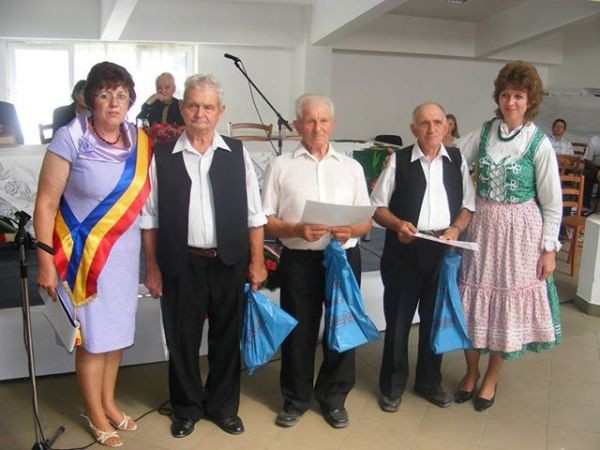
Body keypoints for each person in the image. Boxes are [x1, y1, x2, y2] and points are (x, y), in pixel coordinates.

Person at [141, 74, 266, 439]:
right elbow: (149, 219)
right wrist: (152, 268)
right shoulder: (161, 156)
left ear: (220, 111)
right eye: (193, 105)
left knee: (226, 339)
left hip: (228, 261)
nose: (200, 113)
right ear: (182, 108)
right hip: (180, 262)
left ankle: (223, 407)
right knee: (182, 340)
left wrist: (257, 261)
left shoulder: (237, 154)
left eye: (208, 107)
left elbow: (255, 214)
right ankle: (186, 409)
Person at [34, 61, 150, 447]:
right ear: (89, 99)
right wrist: (45, 260)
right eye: (104, 95)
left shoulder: (139, 140)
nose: (114, 103)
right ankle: (95, 413)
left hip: (123, 256)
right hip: (81, 258)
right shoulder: (70, 137)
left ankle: (109, 403)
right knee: (93, 339)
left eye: (121, 95)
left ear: (130, 101)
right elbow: (45, 203)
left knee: (115, 335)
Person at [456, 61, 562, 412]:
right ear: (498, 97)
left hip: (521, 235)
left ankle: (491, 377)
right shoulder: (485, 132)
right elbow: (453, 158)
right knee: (471, 300)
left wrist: (549, 249)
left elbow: (552, 202)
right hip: (482, 228)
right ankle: (471, 371)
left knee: (504, 308)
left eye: (518, 96)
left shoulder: (539, 143)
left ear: (530, 101)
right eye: (505, 95)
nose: (511, 102)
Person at [261, 94, 372, 429]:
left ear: (333, 125)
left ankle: (334, 399)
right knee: (300, 332)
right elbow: (266, 220)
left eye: (324, 121)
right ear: (297, 126)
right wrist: (296, 229)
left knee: (343, 329)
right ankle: (295, 400)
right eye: (310, 120)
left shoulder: (351, 168)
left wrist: (351, 229)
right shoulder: (281, 166)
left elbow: (366, 220)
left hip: (343, 259)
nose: (317, 127)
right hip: (299, 260)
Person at [370, 102, 475, 413]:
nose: (432, 129)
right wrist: (396, 224)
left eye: (437, 122)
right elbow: (376, 207)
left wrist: (456, 228)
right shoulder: (399, 160)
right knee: (399, 321)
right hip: (404, 250)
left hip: (442, 251)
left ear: (447, 126)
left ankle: (429, 382)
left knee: (434, 320)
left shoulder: (457, 160)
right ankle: (392, 386)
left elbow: (468, 206)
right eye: (424, 123)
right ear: (413, 128)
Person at [583, 134, 600, 210]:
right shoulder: (594, 140)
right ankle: (586, 205)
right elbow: (587, 159)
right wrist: (598, 172)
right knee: (587, 176)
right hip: (593, 167)